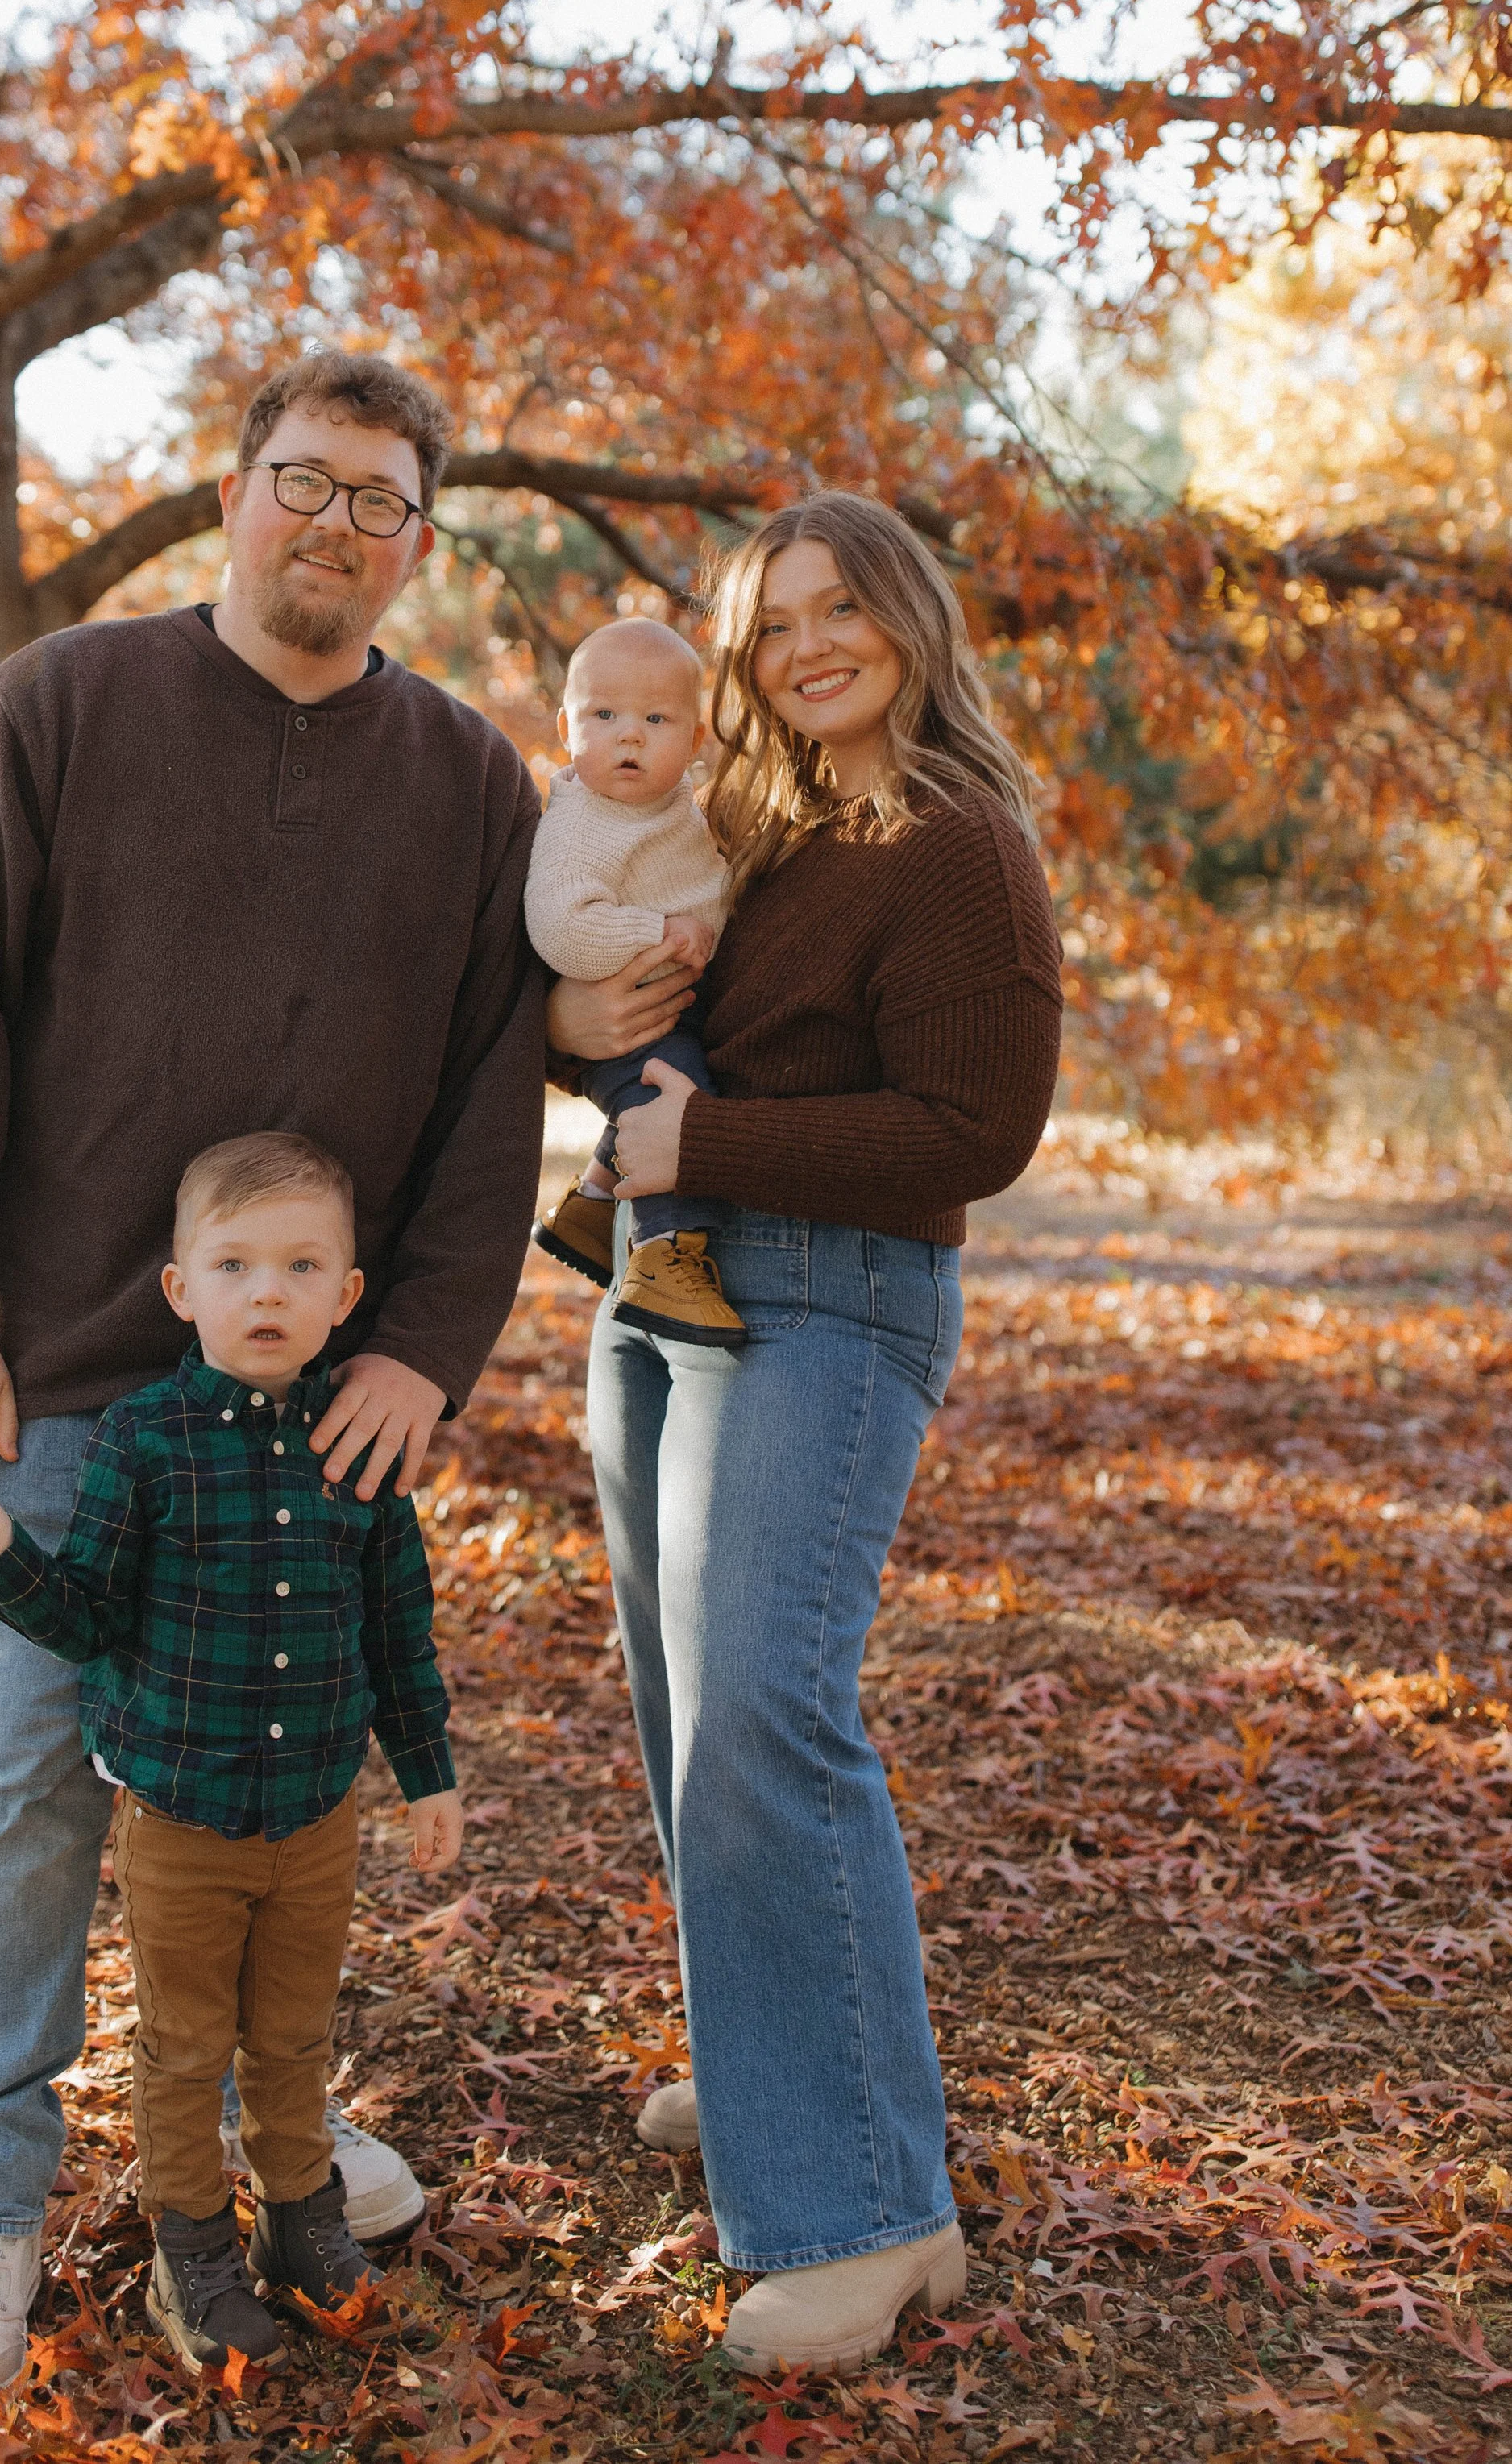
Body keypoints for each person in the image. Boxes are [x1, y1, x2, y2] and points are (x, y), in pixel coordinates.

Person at [0, 352, 546, 2405]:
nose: (336, 529)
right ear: (227, 493)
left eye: (381, 504)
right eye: (304, 485)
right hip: (74, 1364)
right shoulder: (58, 708)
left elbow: (501, 1099)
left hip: (315, 1404)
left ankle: (284, 2138)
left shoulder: (471, 781)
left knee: (280, 1793)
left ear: (417, 545)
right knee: (35, 1796)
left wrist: (427, 1338)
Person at [546, 492, 1062, 2376]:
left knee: (769, 1701)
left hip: (827, 1306)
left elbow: (975, 1130)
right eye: (776, 623)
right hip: (666, 1289)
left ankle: (865, 2207)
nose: (810, 644)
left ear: (909, 619)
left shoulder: (957, 846)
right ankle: (777, 2066)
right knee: (688, 1718)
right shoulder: (753, 831)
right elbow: (667, 1035)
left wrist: (712, 1148)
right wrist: (580, 1015)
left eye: (843, 608)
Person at [0, 1134, 463, 2378]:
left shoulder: (356, 1442)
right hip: (182, 1818)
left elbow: (396, 1627)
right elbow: (85, 1619)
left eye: (302, 1264)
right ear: (181, 1287)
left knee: (298, 2028)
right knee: (187, 2039)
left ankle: (300, 2219)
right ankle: (190, 2245)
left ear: (346, 1294)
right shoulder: (144, 1440)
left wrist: (427, 1770)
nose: (268, 1291)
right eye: (236, 1263)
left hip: (315, 1813)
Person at [525, 618, 743, 1349]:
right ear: (566, 726)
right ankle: (664, 1253)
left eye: (656, 719)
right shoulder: (582, 823)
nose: (629, 737)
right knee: (672, 1099)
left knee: (682, 1071)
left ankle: (591, 1207)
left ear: (695, 739)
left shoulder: (679, 806)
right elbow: (562, 929)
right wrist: (659, 932)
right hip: (624, 1018)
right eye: (605, 715)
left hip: (668, 1004)